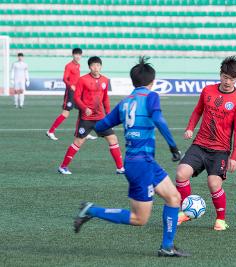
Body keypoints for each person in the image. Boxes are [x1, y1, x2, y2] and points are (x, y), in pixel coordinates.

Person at [73, 57, 189, 257]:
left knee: (173, 197)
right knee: (139, 219)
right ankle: (91, 210)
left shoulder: (125, 102)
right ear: (152, 82)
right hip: (140, 165)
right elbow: (159, 119)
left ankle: (167, 246)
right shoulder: (151, 96)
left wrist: (128, 132)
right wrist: (173, 147)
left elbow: (100, 126)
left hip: (144, 162)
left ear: (133, 81)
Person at [175, 56, 236, 231]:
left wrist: (234, 156)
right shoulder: (207, 91)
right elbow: (198, 110)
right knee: (181, 173)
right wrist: (190, 127)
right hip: (199, 144)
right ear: (220, 75)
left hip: (220, 150)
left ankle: (220, 219)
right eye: (225, 77)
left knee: (214, 183)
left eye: (232, 78)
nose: (228, 81)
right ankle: (186, 211)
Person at [58, 56, 124, 175]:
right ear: (89, 67)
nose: (96, 68)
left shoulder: (105, 80)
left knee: (113, 139)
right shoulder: (82, 80)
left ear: (101, 66)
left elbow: (105, 99)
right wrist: (85, 108)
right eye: (93, 65)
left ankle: (120, 168)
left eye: (98, 65)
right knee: (78, 142)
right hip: (86, 118)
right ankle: (63, 167)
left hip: (101, 118)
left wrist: (109, 116)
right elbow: (77, 98)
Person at [46, 48, 96, 141]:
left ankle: (84, 132)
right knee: (65, 113)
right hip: (70, 92)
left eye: (79, 55)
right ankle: (51, 131)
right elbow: (65, 79)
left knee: (83, 111)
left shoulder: (78, 65)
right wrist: (71, 86)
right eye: (76, 54)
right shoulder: (69, 66)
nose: (77, 56)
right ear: (73, 55)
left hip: (78, 92)